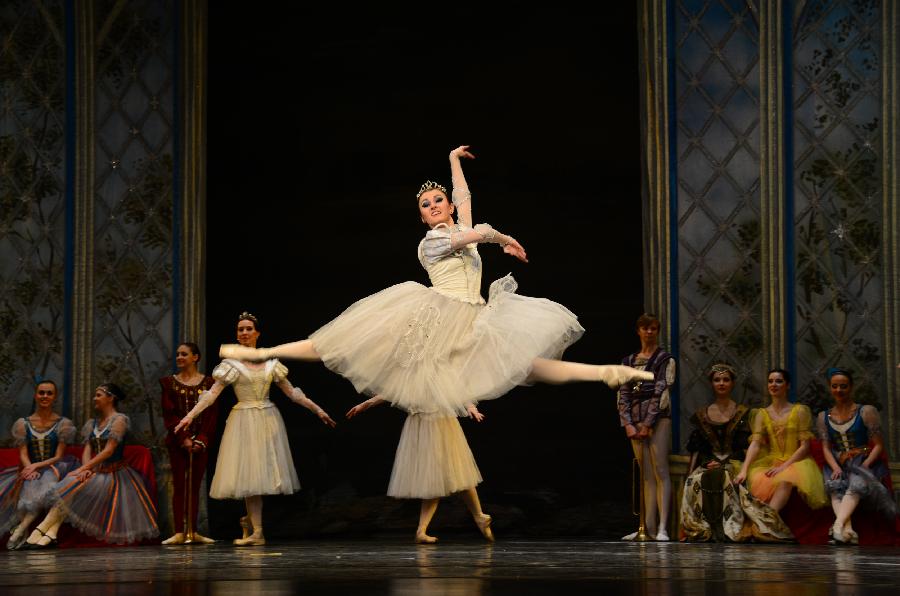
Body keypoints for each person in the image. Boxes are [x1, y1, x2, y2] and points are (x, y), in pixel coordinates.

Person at [218, 146, 651, 424]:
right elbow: (475, 231)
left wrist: (453, 162)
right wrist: (504, 239)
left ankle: (610, 372)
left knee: (531, 366)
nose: (434, 206)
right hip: (438, 310)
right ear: (423, 217)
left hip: (475, 316)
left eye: (437, 200)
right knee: (339, 342)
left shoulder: (453, 220)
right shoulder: (433, 242)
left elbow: (466, 205)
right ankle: (262, 351)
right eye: (426, 205)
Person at [174, 313, 336, 546]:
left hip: (267, 419)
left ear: (257, 333)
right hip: (244, 420)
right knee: (250, 477)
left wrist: (317, 410)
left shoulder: (271, 364)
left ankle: (254, 528)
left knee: (261, 476)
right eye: (240, 329)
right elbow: (211, 396)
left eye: (249, 328)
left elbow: (292, 393)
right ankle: (256, 531)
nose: (244, 333)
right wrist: (188, 417)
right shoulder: (230, 365)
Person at [22, 383, 159, 547]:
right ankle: (50, 534)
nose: (95, 398)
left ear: (111, 398)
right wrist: (86, 470)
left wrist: (83, 469)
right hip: (96, 472)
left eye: (99, 395)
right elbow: (87, 450)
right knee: (72, 486)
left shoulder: (119, 420)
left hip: (114, 475)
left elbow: (108, 451)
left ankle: (41, 530)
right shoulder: (92, 424)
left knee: (71, 486)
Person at [346, 395, 492, 543]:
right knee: (438, 476)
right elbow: (392, 389)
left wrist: (471, 407)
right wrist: (365, 404)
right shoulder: (413, 372)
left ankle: (474, 517)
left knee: (454, 471)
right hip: (421, 424)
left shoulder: (441, 371)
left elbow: (456, 388)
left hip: (440, 421)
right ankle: (427, 529)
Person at [680, 364, 792, 542]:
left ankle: (731, 527)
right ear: (711, 384)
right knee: (695, 479)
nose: (721, 383)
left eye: (726, 379)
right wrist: (706, 462)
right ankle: (700, 528)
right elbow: (699, 448)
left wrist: (727, 462)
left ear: (732, 383)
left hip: (736, 462)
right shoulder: (702, 415)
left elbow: (747, 446)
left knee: (726, 477)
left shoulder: (743, 413)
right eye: (717, 380)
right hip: (709, 462)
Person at [818, 367, 896, 544]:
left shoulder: (865, 411)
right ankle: (848, 530)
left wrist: (866, 465)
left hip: (863, 459)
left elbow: (878, 445)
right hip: (838, 460)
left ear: (851, 387)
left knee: (856, 483)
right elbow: (825, 447)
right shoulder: (824, 416)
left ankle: (837, 525)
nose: (839, 390)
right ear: (830, 388)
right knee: (835, 485)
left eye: (843, 386)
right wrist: (836, 466)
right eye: (835, 386)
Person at [734, 369, 827, 513]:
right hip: (771, 461)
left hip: (795, 461)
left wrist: (784, 466)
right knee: (758, 479)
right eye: (770, 381)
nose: (774, 384)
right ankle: (764, 521)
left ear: (787, 385)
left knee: (785, 479)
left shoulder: (799, 411)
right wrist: (744, 470)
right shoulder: (761, 414)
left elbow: (805, 447)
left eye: (779, 381)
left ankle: (768, 520)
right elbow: (755, 444)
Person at [0, 380, 78, 550]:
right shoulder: (24, 423)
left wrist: (37, 466)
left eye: (49, 393)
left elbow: (58, 456)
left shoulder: (62, 424)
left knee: (48, 481)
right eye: (41, 392)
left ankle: (30, 531)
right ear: (35, 395)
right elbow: (23, 453)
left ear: (55, 397)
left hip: (57, 466)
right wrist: (29, 468)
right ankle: (26, 531)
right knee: (29, 483)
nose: (45, 396)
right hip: (32, 467)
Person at [617, 313, 674, 541]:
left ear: (657, 331)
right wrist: (628, 424)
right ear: (638, 331)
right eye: (645, 328)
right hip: (635, 420)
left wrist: (648, 423)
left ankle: (662, 528)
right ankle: (646, 527)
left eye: (653, 328)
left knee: (660, 470)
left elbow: (660, 389)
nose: (649, 332)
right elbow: (623, 393)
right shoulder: (628, 361)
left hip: (658, 418)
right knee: (646, 475)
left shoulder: (664, 359)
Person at [160, 342, 217, 545]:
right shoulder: (169, 383)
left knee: (194, 485)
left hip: (199, 443)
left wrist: (201, 439)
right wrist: (183, 438)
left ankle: (193, 530)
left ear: (196, 357)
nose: (179, 357)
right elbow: (169, 414)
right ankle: (178, 531)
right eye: (177, 354)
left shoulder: (209, 383)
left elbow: (211, 414)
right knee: (179, 484)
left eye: (184, 354)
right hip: (178, 441)